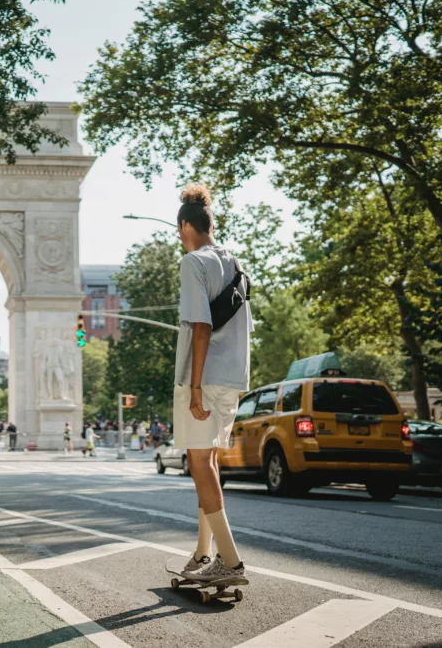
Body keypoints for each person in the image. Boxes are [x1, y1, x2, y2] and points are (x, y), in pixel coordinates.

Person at [172, 183, 252, 584]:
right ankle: (203, 553)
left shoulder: (193, 263)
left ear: (186, 225)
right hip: (234, 377)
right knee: (210, 463)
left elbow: (201, 327)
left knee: (199, 464)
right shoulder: (234, 262)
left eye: (178, 230)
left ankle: (231, 562)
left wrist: (196, 386)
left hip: (204, 377)